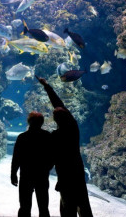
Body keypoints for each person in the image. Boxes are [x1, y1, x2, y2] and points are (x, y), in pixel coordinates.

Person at [38, 77, 93, 217]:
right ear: (68, 117)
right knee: (83, 203)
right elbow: (59, 104)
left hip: (64, 174)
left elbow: (50, 158)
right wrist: (47, 86)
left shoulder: (55, 136)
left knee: (67, 206)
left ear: (56, 120)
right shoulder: (73, 128)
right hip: (78, 171)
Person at [11, 111, 54, 217]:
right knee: (43, 207)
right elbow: (53, 156)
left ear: (28, 122)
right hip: (42, 175)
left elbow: (16, 158)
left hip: (26, 175)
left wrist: (13, 174)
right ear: (42, 122)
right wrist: (47, 168)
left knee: (24, 207)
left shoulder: (22, 137)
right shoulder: (47, 136)